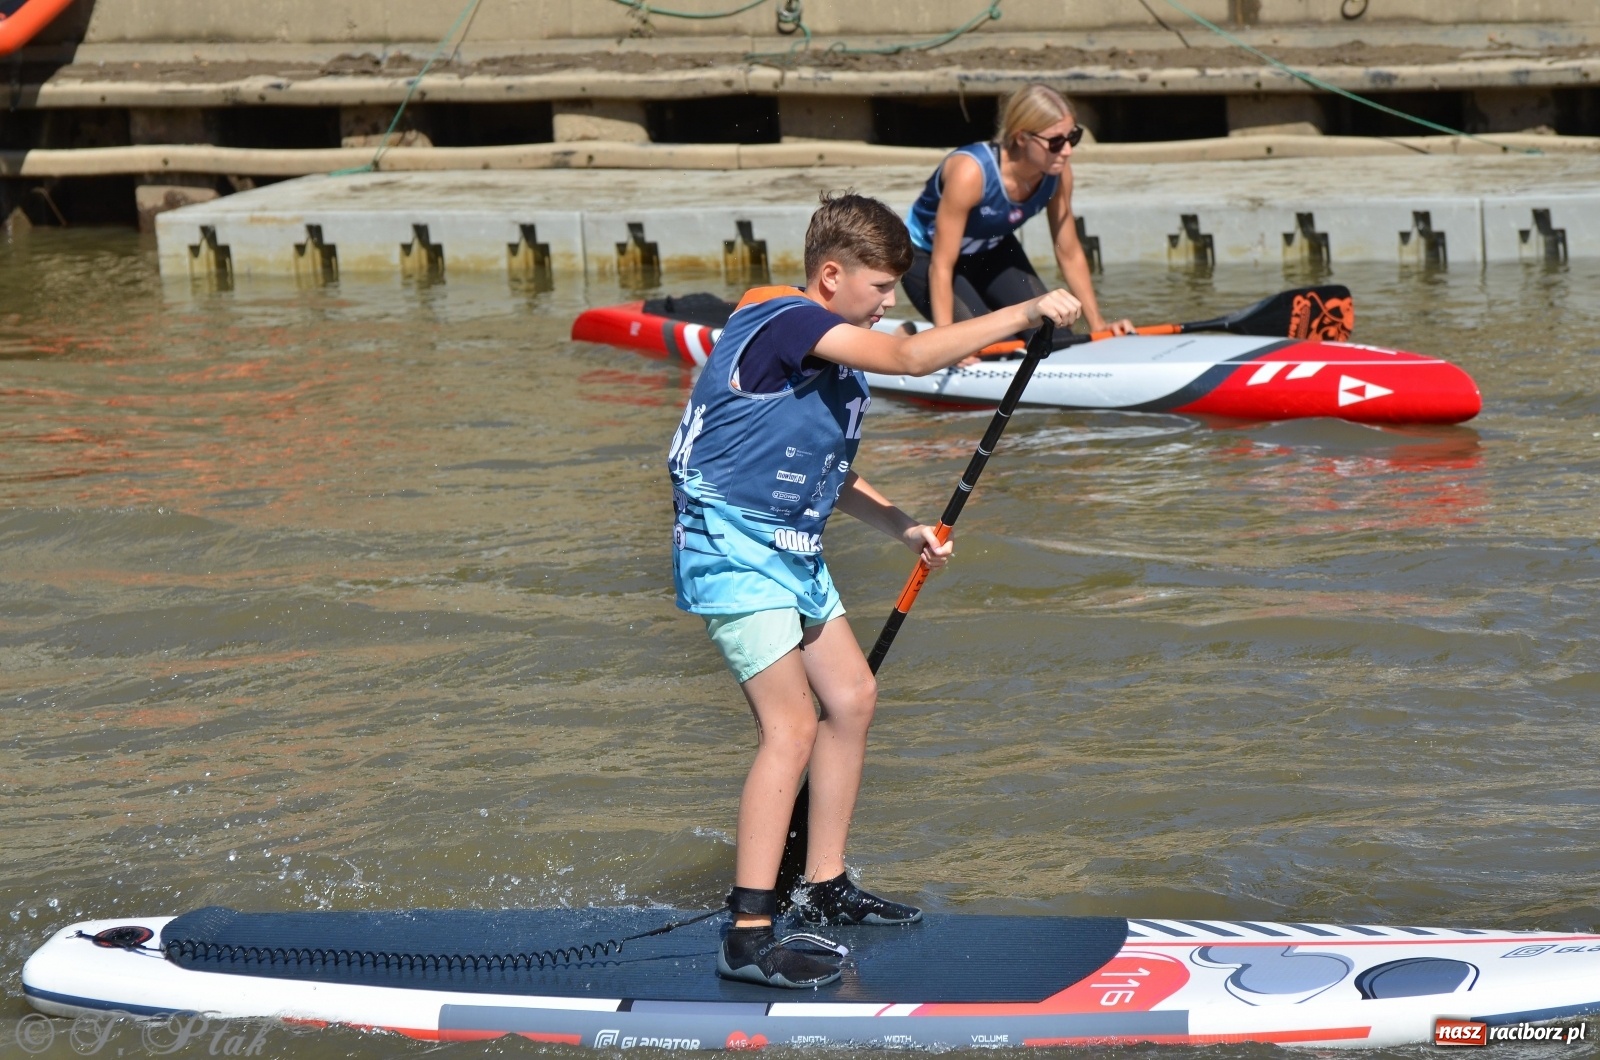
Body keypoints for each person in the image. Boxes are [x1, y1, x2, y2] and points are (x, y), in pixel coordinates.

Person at [667, 192, 1081, 989]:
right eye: (881, 288)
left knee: (852, 698)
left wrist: (903, 526)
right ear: (831, 276)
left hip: (790, 548)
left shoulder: (821, 347)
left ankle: (823, 886)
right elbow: (913, 360)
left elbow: (827, 470)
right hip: (730, 549)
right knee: (791, 726)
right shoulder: (786, 322)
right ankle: (746, 935)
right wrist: (1025, 310)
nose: (890, 302)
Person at [902, 83, 1132, 354]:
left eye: (1073, 137)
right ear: (1022, 138)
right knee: (992, 347)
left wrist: (1098, 325)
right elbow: (942, 265)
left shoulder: (1058, 174)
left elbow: (1069, 253)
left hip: (991, 251)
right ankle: (908, 335)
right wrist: (945, 346)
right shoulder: (971, 172)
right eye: (1056, 141)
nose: (1067, 150)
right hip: (927, 258)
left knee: (1055, 337)